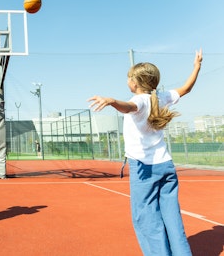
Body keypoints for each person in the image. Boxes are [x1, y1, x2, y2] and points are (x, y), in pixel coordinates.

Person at [87, 49, 202, 256]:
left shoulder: (139, 100)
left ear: (135, 83)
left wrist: (112, 101)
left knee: (147, 220)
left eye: (129, 77)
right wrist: (196, 67)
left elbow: (129, 106)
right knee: (172, 219)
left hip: (144, 169)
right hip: (166, 166)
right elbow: (186, 88)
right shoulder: (161, 97)